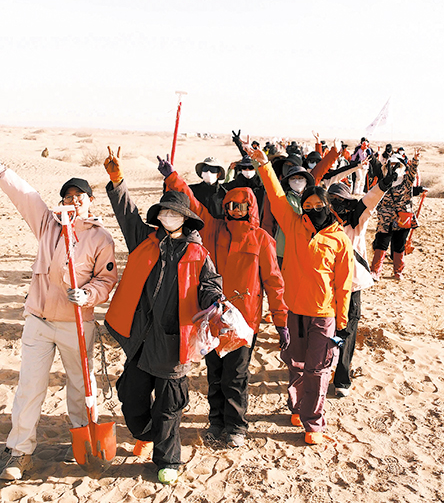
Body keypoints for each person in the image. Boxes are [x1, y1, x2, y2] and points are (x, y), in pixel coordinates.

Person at [103, 148, 222, 485]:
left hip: (174, 340)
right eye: (165, 212)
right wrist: (117, 180)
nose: (169, 217)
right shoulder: (145, 240)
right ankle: (146, 434)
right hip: (142, 338)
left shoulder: (197, 252)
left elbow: (211, 283)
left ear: (185, 218)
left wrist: (214, 301)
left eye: (175, 213)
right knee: (131, 398)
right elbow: (127, 214)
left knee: (169, 406)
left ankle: (168, 460)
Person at [158, 156, 288, 448]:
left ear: (250, 208)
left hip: (245, 321)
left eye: (239, 206)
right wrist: (172, 177)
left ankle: (236, 426)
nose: (233, 211)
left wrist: (281, 322)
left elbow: (274, 283)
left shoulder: (262, 240)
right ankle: (216, 421)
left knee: (236, 376)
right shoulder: (214, 229)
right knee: (215, 374)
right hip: (214, 316)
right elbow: (194, 204)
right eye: (229, 206)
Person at [0, 164, 117, 481]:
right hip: (39, 321)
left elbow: (106, 279)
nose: (74, 200)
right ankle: (20, 452)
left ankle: (83, 442)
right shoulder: (47, 225)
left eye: (80, 196)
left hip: (76, 324)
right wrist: (3, 173)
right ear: (62, 201)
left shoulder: (101, 238)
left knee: (81, 387)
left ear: (91, 200)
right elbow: (27, 196)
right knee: (30, 386)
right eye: (68, 196)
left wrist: (89, 294)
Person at [246, 145, 353, 445]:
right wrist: (264, 165)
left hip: (323, 315)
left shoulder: (339, 240)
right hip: (294, 310)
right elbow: (277, 197)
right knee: (295, 363)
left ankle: (313, 424)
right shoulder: (293, 225)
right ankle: (296, 407)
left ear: (328, 206)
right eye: (308, 205)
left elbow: (343, 284)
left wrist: (342, 321)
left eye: (319, 205)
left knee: (318, 370)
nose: (313, 209)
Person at [327, 162, 399, 397]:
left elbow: (369, 201)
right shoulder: (321, 222)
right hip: (326, 285)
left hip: (352, 285)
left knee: (348, 331)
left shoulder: (356, 220)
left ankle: (342, 379)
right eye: (331, 200)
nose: (335, 204)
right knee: (324, 329)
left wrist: (383, 185)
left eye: (340, 200)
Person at [370, 150, 420, 282]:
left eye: (396, 165)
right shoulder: (384, 181)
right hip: (385, 219)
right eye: (391, 164)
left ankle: (398, 271)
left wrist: (415, 159)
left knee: (399, 245)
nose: (394, 167)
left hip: (402, 218)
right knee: (381, 244)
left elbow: (413, 172)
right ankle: (375, 271)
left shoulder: (406, 181)